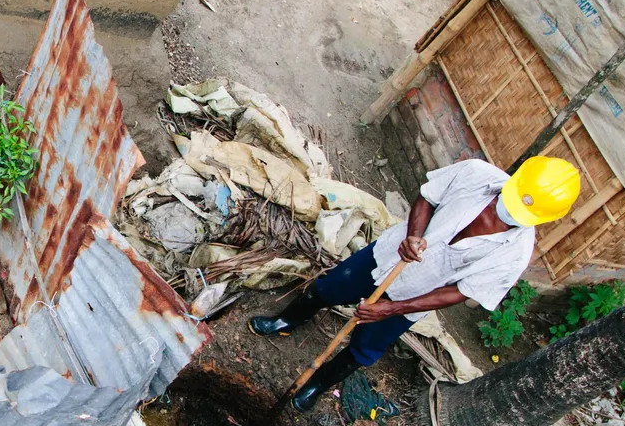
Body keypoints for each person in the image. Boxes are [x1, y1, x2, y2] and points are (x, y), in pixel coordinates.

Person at [249, 156, 581, 411]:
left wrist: (394, 308)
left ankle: (317, 384)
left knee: (365, 349)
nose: (506, 210)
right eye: (509, 200)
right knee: (329, 288)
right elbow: (427, 197)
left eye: (519, 214)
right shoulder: (477, 173)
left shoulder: (514, 253)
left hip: (414, 296)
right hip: (387, 256)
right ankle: (288, 319)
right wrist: (414, 236)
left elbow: (461, 292)